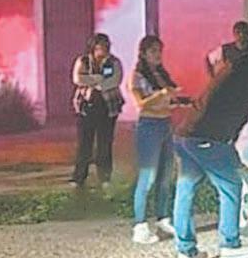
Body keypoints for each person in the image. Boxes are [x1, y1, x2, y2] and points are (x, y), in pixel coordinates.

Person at [172, 42, 248, 258]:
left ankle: (186, 252)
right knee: (231, 186)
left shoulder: (236, 67)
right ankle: (229, 245)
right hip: (208, 138)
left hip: (186, 135)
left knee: (185, 191)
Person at [128, 36, 185, 244]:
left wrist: (176, 100)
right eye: (153, 51)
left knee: (165, 176)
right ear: (143, 54)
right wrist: (161, 94)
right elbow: (140, 103)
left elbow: (168, 99)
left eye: (159, 51)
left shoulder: (161, 75)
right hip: (149, 126)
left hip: (165, 125)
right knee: (148, 177)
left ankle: (163, 219)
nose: (157, 55)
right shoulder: (137, 76)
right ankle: (140, 225)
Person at [69, 33, 124, 188]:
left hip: (108, 106)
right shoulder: (83, 61)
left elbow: (115, 79)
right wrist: (96, 79)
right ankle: (79, 177)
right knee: (84, 143)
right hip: (87, 106)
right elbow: (78, 78)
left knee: (104, 143)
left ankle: (105, 177)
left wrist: (99, 84)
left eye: (105, 46)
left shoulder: (113, 62)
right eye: (99, 47)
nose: (102, 50)